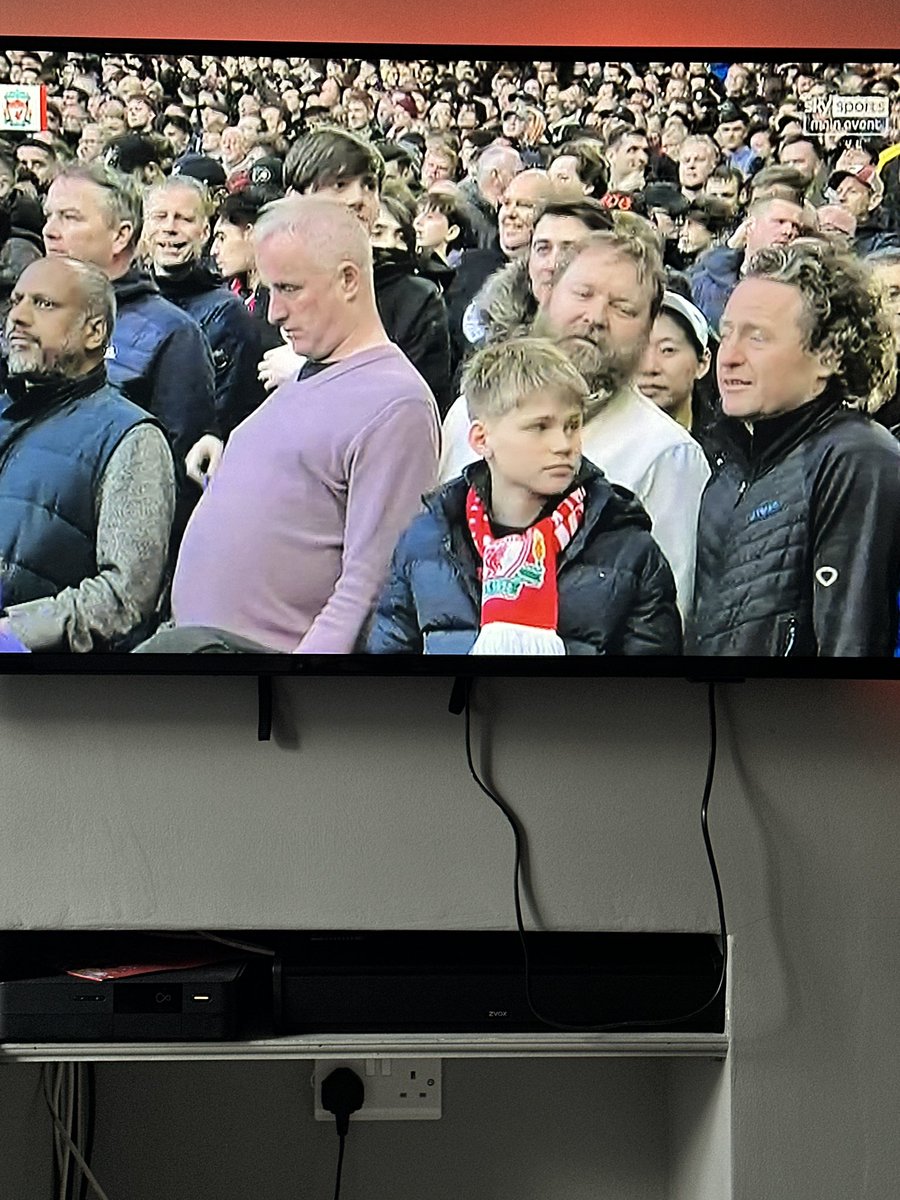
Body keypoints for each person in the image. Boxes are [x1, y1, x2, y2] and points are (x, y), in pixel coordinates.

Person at [135, 196, 440, 655]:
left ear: (349, 280)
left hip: (268, 688)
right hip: (205, 662)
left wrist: (298, 686)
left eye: (289, 289)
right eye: (269, 289)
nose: (273, 312)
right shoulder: (307, 374)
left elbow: (372, 581)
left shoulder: (397, 403)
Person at [442, 226, 710, 618]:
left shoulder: (667, 455)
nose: (595, 317)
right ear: (547, 295)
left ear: (648, 330)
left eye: (623, 308)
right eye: (583, 294)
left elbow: (669, 618)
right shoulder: (470, 411)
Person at [367, 337, 681, 655]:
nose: (563, 444)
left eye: (572, 426)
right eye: (539, 427)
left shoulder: (628, 549)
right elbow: (390, 677)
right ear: (481, 438)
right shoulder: (427, 540)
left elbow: (649, 692)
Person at [688, 242, 900, 657]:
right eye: (727, 332)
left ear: (828, 356)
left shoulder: (858, 460)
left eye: (758, 337)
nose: (728, 357)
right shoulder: (727, 468)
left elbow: (854, 648)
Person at [0, 256, 175, 651]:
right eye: (16, 301)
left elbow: (125, 596)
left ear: (94, 331)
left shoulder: (132, 437)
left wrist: (13, 635)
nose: (18, 317)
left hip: (51, 696)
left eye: (44, 304)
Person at [42, 162, 215, 497]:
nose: (50, 230)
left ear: (121, 235)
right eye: (49, 215)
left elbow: (177, 477)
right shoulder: (29, 315)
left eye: (70, 217)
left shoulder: (172, 333)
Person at [143, 175, 267, 439]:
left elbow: (228, 414)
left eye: (184, 219)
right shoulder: (119, 300)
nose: (169, 228)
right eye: (159, 217)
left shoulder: (228, 314)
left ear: (205, 232)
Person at [689, 192, 804, 331]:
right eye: (780, 222)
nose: (788, 231)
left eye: (795, 227)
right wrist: (730, 247)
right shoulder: (705, 279)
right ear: (750, 225)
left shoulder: (796, 293)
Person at [636, 289, 712, 432]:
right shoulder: (596, 442)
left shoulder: (727, 445)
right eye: (639, 350)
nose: (649, 367)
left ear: (702, 363)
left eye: (668, 350)